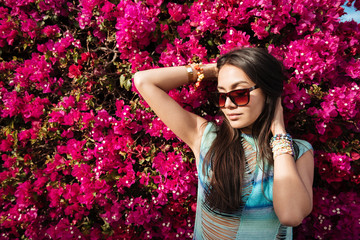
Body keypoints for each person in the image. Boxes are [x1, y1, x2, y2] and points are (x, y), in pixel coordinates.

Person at [134, 47, 314, 240]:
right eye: (222, 95)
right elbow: (144, 81)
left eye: (239, 93)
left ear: (269, 94)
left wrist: (279, 132)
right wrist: (215, 70)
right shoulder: (206, 137)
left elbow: (291, 215)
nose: (228, 104)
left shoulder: (298, 152)